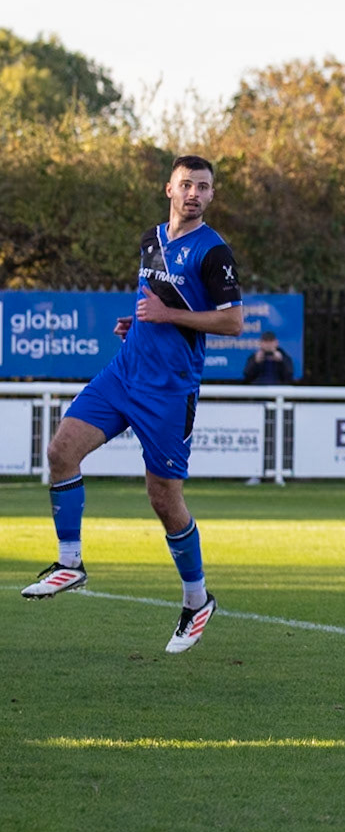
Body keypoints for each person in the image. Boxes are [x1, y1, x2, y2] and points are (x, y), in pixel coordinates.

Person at [22, 156, 245, 654]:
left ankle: (196, 599)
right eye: (185, 184)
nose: (193, 193)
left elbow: (233, 323)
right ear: (168, 187)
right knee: (61, 452)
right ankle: (70, 563)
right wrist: (140, 322)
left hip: (169, 390)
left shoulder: (215, 252)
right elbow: (160, 303)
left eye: (203, 187)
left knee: (163, 498)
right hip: (124, 372)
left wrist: (166, 316)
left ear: (211, 196)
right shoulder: (151, 238)